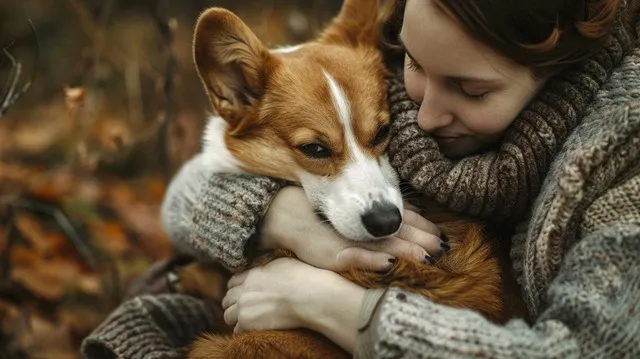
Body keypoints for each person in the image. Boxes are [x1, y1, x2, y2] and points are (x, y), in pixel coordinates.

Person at [82, 0, 640, 358]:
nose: (420, 117)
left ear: (556, 68)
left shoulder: (623, 154)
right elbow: (185, 197)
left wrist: (324, 302)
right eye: (415, 64)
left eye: (471, 90)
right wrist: (279, 219)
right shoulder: (372, 50)